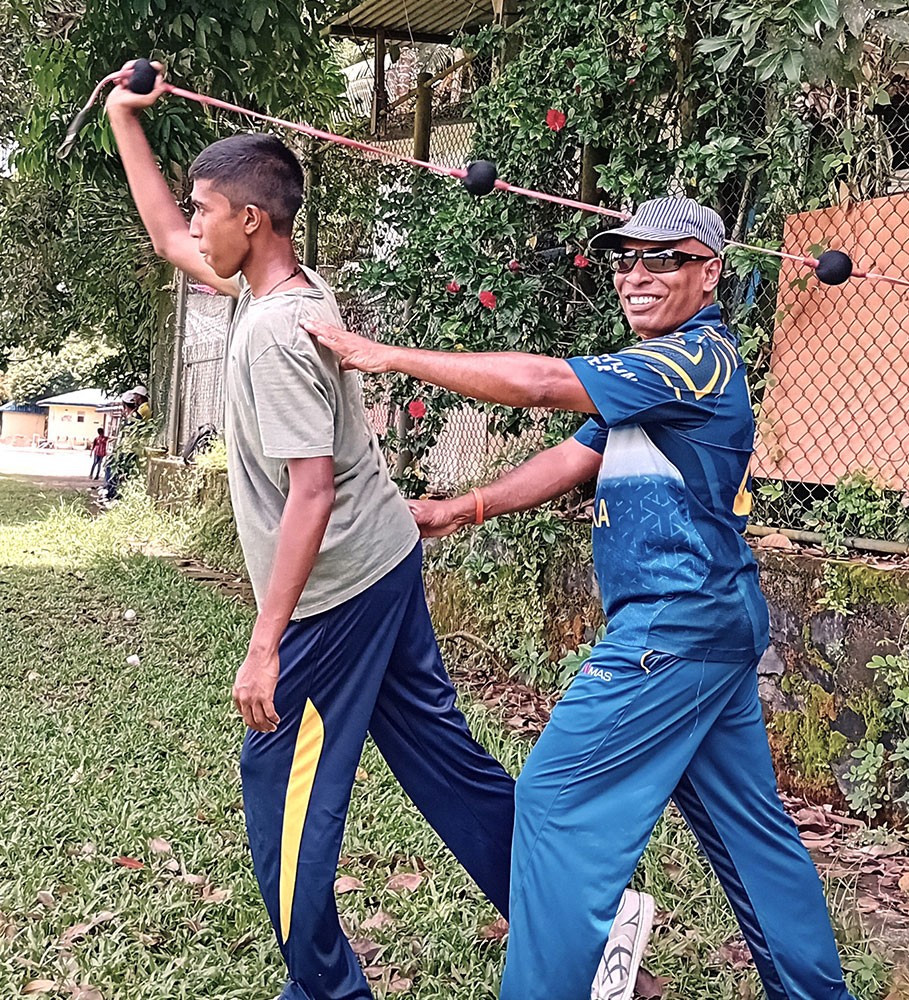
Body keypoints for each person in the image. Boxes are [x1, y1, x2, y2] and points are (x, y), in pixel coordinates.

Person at [102, 61, 645, 1000]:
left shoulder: (276, 333)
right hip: (384, 559)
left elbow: (310, 494)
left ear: (251, 221)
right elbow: (164, 236)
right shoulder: (280, 291)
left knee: (281, 783)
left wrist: (266, 643)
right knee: (446, 767)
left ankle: (326, 989)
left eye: (205, 209)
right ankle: (586, 928)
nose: (192, 223)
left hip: (339, 589)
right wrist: (125, 118)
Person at [305, 196, 859, 1000]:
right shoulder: (657, 372)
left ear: (709, 273)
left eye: (662, 258)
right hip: (709, 622)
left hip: (675, 623)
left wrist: (385, 354)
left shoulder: (693, 360)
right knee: (751, 834)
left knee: (556, 801)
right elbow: (575, 455)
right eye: (625, 259)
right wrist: (464, 508)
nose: (636, 275)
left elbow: (540, 385)